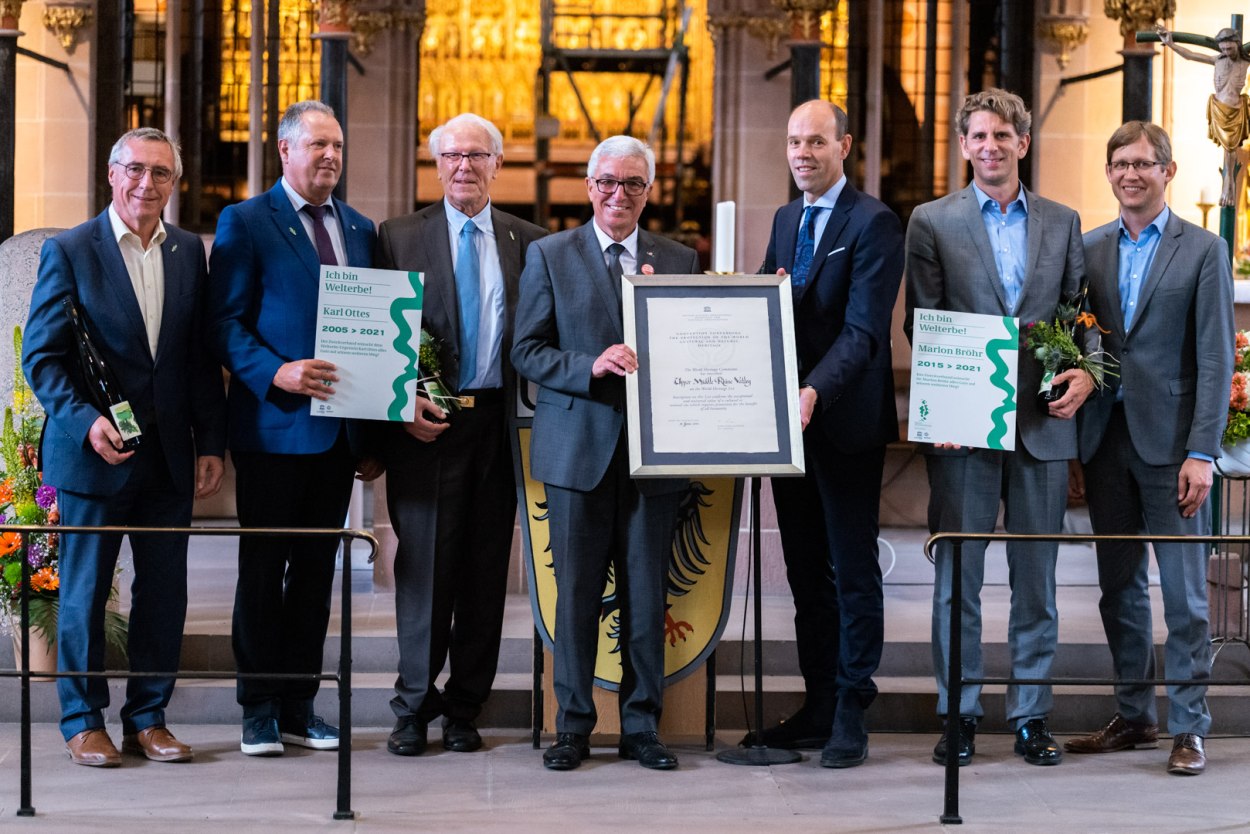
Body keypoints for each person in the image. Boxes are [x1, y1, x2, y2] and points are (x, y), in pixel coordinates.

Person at [22, 127, 226, 766]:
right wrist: (85, 421)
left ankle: (148, 717)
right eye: (135, 170)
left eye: (161, 173)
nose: (147, 183)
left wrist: (210, 441)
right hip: (92, 455)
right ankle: (83, 722)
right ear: (112, 175)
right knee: (84, 593)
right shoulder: (72, 250)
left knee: (165, 592)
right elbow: (43, 357)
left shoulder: (189, 250)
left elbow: (196, 358)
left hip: (168, 454)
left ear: (175, 182)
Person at [904, 88, 1090, 768]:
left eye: (1002, 136)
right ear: (964, 147)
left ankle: (1030, 718)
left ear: (1023, 142)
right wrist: (940, 406)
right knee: (959, 576)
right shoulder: (931, 222)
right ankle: (957, 716)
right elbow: (922, 324)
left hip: (1042, 424)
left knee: (1036, 579)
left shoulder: (1063, 221)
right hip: (964, 426)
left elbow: (1077, 318)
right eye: (978, 136)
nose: (990, 146)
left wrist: (1083, 372)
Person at [511, 135, 699, 771]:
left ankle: (643, 727)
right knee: (577, 598)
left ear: (650, 190)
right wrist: (589, 364)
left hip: (656, 456)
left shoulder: (679, 257)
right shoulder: (549, 254)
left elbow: (699, 344)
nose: (620, 194)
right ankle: (574, 726)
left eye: (634, 184)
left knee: (648, 599)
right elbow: (526, 350)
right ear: (589, 187)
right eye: (609, 182)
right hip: (577, 453)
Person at [365, 113, 546, 756]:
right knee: (424, 573)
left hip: (498, 426)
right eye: (452, 156)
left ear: (499, 164)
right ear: (435, 164)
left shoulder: (532, 241)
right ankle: (413, 706)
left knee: (483, 571)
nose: (464, 166)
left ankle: (466, 707)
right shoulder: (397, 237)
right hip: (426, 427)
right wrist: (393, 411)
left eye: (477, 155)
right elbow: (373, 338)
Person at [1063, 121, 1234, 776]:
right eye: (1120, 164)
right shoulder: (1091, 249)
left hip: (1174, 453)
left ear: (1168, 171)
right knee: (1119, 589)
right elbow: (1083, 342)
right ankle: (1135, 714)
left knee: (1188, 596)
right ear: (1109, 174)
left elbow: (1216, 361)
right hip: (1108, 443)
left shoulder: (1203, 250)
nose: (1131, 174)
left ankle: (1190, 727)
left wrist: (1203, 451)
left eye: (1143, 163)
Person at [208, 100, 377, 757]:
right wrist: (274, 372)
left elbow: (377, 333)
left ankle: (302, 708)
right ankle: (257, 709)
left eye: (337, 145)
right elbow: (223, 323)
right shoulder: (246, 222)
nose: (330, 156)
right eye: (317, 145)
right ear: (285, 150)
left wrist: (376, 429)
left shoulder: (360, 228)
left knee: (314, 576)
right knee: (262, 572)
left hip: (340, 436)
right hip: (275, 429)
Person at [738, 100, 903, 768]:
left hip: (843, 424)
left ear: (845, 146)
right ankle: (816, 703)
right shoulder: (786, 219)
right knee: (806, 572)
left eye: (815, 141)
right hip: (788, 428)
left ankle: (851, 711)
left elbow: (864, 332)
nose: (802, 152)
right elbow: (762, 304)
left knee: (850, 571)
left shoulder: (874, 222)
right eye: (793, 142)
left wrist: (812, 391)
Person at [1157, 27, 1249, 206]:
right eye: (1223, 49)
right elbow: (1191, 55)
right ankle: (1228, 182)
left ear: (1237, 45)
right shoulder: (1218, 60)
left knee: (1230, 149)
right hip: (1219, 109)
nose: (1226, 52)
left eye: (1229, 49)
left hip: (1236, 110)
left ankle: (1228, 182)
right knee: (1228, 148)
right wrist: (1170, 43)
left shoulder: (1245, 63)